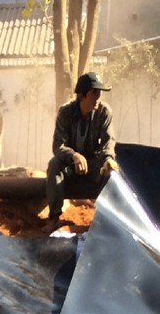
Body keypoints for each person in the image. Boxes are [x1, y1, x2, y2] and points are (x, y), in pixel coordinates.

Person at [45, 71, 118, 227]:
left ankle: (107, 223)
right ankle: (54, 218)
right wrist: (74, 156)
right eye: (94, 93)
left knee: (112, 170)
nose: (98, 97)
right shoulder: (65, 112)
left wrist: (107, 160)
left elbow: (108, 142)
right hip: (70, 167)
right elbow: (58, 146)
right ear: (82, 95)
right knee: (54, 164)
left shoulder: (104, 112)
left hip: (93, 166)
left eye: (100, 93)